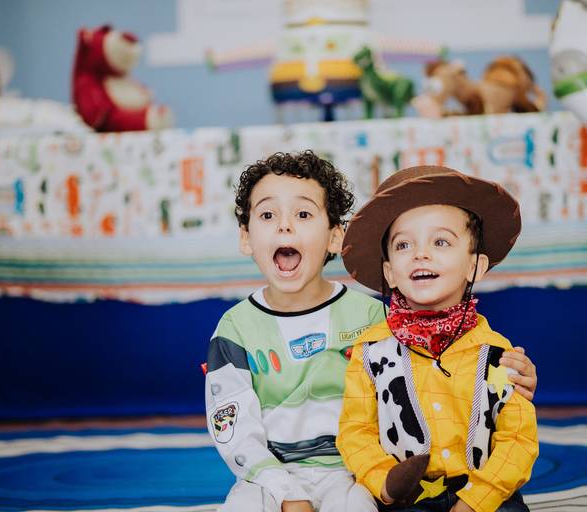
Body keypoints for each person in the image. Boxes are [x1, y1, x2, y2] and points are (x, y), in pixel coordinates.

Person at [205, 152, 538, 512]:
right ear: (245, 237)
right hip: (267, 476)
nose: (285, 227)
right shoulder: (235, 329)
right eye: (268, 215)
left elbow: (434, 369)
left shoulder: (375, 319)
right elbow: (233, 429)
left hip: (349, 474)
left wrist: (513, 376)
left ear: (335, 236)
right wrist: (284, 490)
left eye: (303, 214)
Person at [337, 165, 538, 512]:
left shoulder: (497, 354)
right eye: (404, 245)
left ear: (474, 267)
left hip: (483, 494)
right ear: (390, 273)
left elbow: (517, 439)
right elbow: (355, 431)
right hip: (407, 499)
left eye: (440, 241)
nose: (421, 254)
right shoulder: (370, 353)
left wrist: (476, 501)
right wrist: (385, 482)